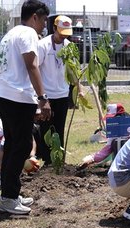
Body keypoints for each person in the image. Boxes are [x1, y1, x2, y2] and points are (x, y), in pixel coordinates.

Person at [0, 0, 50, 215]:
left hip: (4, 95)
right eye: (43, 20)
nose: (44, 25)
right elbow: (31, 64)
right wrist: (42, 98)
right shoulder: (28, 33)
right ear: (34, 16)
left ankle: (10, 194)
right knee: (22, 146)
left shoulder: (11, 33)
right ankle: (8, 198)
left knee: (13, 146)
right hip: (17, 98)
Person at [37, 15, 82, 165]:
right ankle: (47, 161)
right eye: (61, 32)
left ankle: (59, 161)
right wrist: (40, 98)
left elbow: (73, 70)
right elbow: (35, 69)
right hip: (46, 96)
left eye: (66, 32)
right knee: (46, 129)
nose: (63, 35)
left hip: (62, 95)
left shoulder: (69, 46)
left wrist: (79, 88)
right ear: (54, 28)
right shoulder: (43, 45)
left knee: (59, 129)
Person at [78, 103, 130, 170]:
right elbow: (106, 150)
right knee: (116, 142)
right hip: (121, 163)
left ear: (119, 116)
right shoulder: (114, 131)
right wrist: (90, 159)